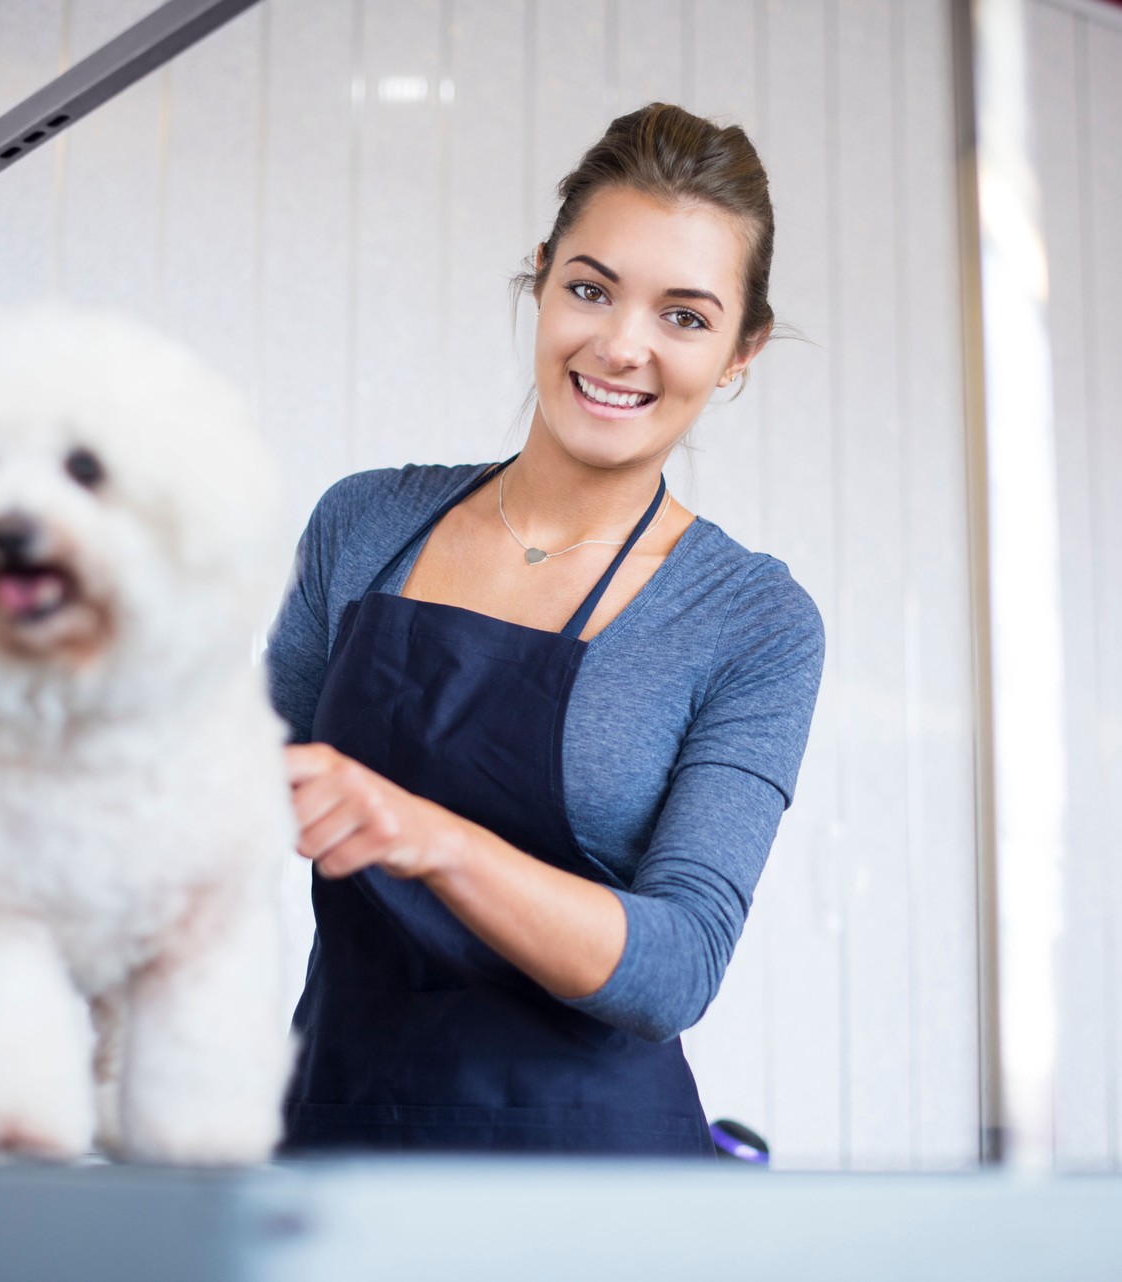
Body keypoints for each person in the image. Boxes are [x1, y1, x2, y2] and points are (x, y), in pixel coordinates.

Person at [264, 102, 824, 1157]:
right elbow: (233, 774)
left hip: (588, 1188)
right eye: (590, 289)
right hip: (336, 1140)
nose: (619, 345)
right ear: (542, 277)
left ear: (741, 351)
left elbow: (677, 965)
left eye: (685, 316)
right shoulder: (365, 524)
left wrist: (433, 840)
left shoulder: (752, 621)